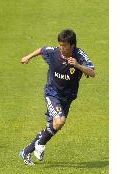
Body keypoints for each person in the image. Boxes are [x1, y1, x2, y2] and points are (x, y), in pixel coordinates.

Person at [19, 29, 95, 165]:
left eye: (64, 45)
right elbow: (41, 50)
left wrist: (77, 65)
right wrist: (28, 57)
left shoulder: (80, 55)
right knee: (60, 121)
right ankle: (40, 145)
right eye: (60, 44)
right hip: (52, 93)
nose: (61, 48)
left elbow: (93, 72)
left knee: (54, 125)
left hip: (67, 98)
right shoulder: (54, 53)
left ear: (72, 45)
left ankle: (26, 151)